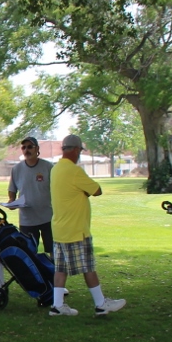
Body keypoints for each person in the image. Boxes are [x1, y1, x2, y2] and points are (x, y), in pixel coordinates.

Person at [48, 134, 126, 317]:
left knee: (60, 269)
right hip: (76, 229)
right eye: (80, 151)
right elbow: (97, 190)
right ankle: (100, 303)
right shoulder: (75, 171)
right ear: (75, 150)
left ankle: (57, 305)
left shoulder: (55, 169)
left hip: (59, 228)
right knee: (88, 266)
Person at [7, 136, 55, 254]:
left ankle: (53, 272)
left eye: (30, 147)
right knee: (29, 253)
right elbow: (12, 190)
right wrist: (12, 201)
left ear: (37, 149)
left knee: (54, 252)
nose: (26, 150)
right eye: (24, 147)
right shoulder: (16, 169)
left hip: (47, 218)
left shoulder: (48, 167)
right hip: (27, 220)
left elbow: (57, 189)